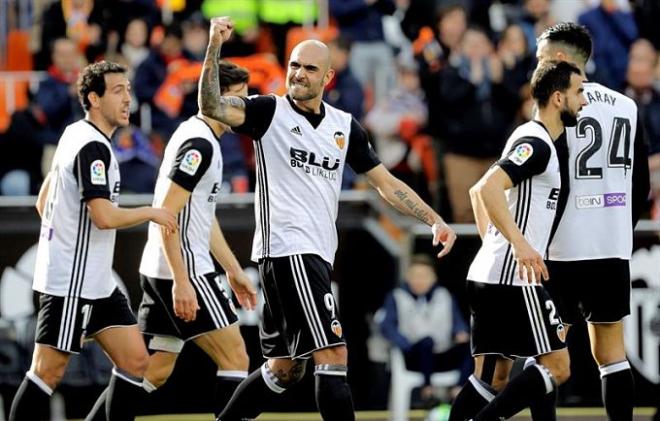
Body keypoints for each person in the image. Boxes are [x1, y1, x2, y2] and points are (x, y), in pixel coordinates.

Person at [198, 17, 457, 421]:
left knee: (286, 369)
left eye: (309, 68)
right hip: (290, 250)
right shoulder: (269, 112)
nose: (298, 74)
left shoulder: (343, 127)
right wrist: (214, 46)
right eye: (294, 66)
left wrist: (433, 218)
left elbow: (385, 183)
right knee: (334, 353)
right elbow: (211, 106)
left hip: (311, 254)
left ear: (329, 77)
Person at [84, 61, 258, 421]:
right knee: (236, 358)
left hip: (160, 267)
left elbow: (201, 219)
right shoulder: (200, 145)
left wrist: (232, 270)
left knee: (155, 369)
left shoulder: (199, 136)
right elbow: (167, 214)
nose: (245, 107)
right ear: (217, 99)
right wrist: (181, 280)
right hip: (182, 269)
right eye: (239, 99)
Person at [8, 61, 177, 421]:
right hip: (72, 283)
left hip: (96, 283)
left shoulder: (74, 134)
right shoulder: (92, 148)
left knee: (136, 362)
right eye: (118, 91)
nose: (128, 98)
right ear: (93, 99)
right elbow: (103, 217)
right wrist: (151, 212)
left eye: (129, 90)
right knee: (47, 372)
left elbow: (43, 202)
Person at [448, 60, 587, 421]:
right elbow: (489, 188)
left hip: (491, 273)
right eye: (579, 92)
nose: (584, 101)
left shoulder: (528, 136)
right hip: (514, 279)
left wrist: (493, 244)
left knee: (491, 379)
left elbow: (478, 190)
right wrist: (519, 244)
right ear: (559, 98)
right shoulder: (537, 143)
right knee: (558, 367)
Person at [539, 22, 651, 421]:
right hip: (611, 246)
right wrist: (620, 226)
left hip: (561, 246)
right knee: (611, 354)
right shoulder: (627, 105)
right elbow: (641, 184)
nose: (537, 68)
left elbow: (549, 177)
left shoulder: (557, 102)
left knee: (548, 355)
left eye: (542, 59)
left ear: (561, 60)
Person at [379, 254, 471, 405]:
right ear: (408, 277)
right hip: (414, 356)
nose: (419, 280)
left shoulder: (445, 296)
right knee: (426, 342)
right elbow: (387, 326)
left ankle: (457, 391)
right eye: (415, 276)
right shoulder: (397, 296)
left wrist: (460, 332)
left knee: (472, 346)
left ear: (433, 278)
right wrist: (405, 344)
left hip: (442, 354)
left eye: (424, 276)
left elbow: (458, 323)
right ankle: (427, 391)